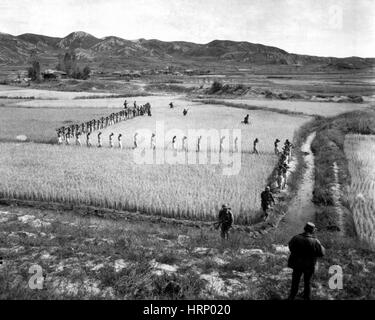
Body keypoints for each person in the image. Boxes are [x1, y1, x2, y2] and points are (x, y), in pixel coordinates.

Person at [287, 222, 325, 300]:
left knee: (295, 282)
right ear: (312, 231)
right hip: (309, 266)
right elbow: (322, 253)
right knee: (308, 282)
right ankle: (307, 297)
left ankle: (292, 297)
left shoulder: (296, 237)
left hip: (297, 264)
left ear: (305, 229)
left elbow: (290, 247)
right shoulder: (315, 241)